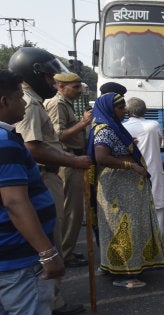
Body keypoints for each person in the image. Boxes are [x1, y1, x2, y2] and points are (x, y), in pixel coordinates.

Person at [9, 47, 90, 315]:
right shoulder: (31, 104)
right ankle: (52, 302)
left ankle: (53, 299)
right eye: (48, 78)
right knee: (50, 236)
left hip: (51, 172)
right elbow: (33, 147)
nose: (52, 83)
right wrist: (74, 161)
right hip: (46, 173)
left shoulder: (32, 101)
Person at [0, 69, 65, 315]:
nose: (24, 103)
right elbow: (15, 202)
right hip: (20, 259)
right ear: (4, 102)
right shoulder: (5, 142)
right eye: (19, 97)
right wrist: (47, 253)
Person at [88, 93, 164, 288]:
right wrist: (131, 166)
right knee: (124, 227)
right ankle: (125, 274)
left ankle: (113, 266)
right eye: (120, 107)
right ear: (109, 109)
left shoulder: (111, 126)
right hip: (119, 189)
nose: (124, 111)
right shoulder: (106, 129)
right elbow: (101, 157)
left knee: (122, 226)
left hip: (124, 188)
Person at [44, 72, 91, 268]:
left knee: (75, 210)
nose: (79, 91)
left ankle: (67, 251)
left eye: (79, 86)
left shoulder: (66, 103)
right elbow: (58, 135)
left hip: (72, 158)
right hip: (66, 159)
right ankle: (63, 253)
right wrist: (83, 123)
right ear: (60, 87)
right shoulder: (57, 104)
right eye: (75, 87)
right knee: (70, 210)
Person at [123, 98, 164, 233]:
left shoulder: (123, 128)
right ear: (145, 111)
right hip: (153, 171)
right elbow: (158, 144)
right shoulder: (154, 125)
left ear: (127, 112)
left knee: (135, 208)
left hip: (132, 171)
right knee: (157, 208)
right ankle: (158, 244)